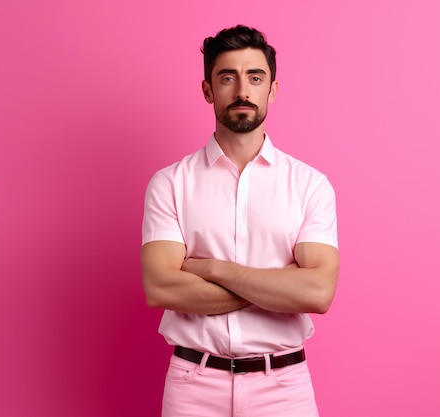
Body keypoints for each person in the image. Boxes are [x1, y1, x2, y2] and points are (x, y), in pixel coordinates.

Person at [141, 25, 339, 417]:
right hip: (193, 386)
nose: (242, 90)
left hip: (284, 389)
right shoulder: (170, 183)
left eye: (255, 77)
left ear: (272, 89)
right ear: (208, 90)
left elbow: (316, 292)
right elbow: (161, 287)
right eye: (227, 77)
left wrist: (213, 269)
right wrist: (278, 286)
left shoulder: (309, 185)